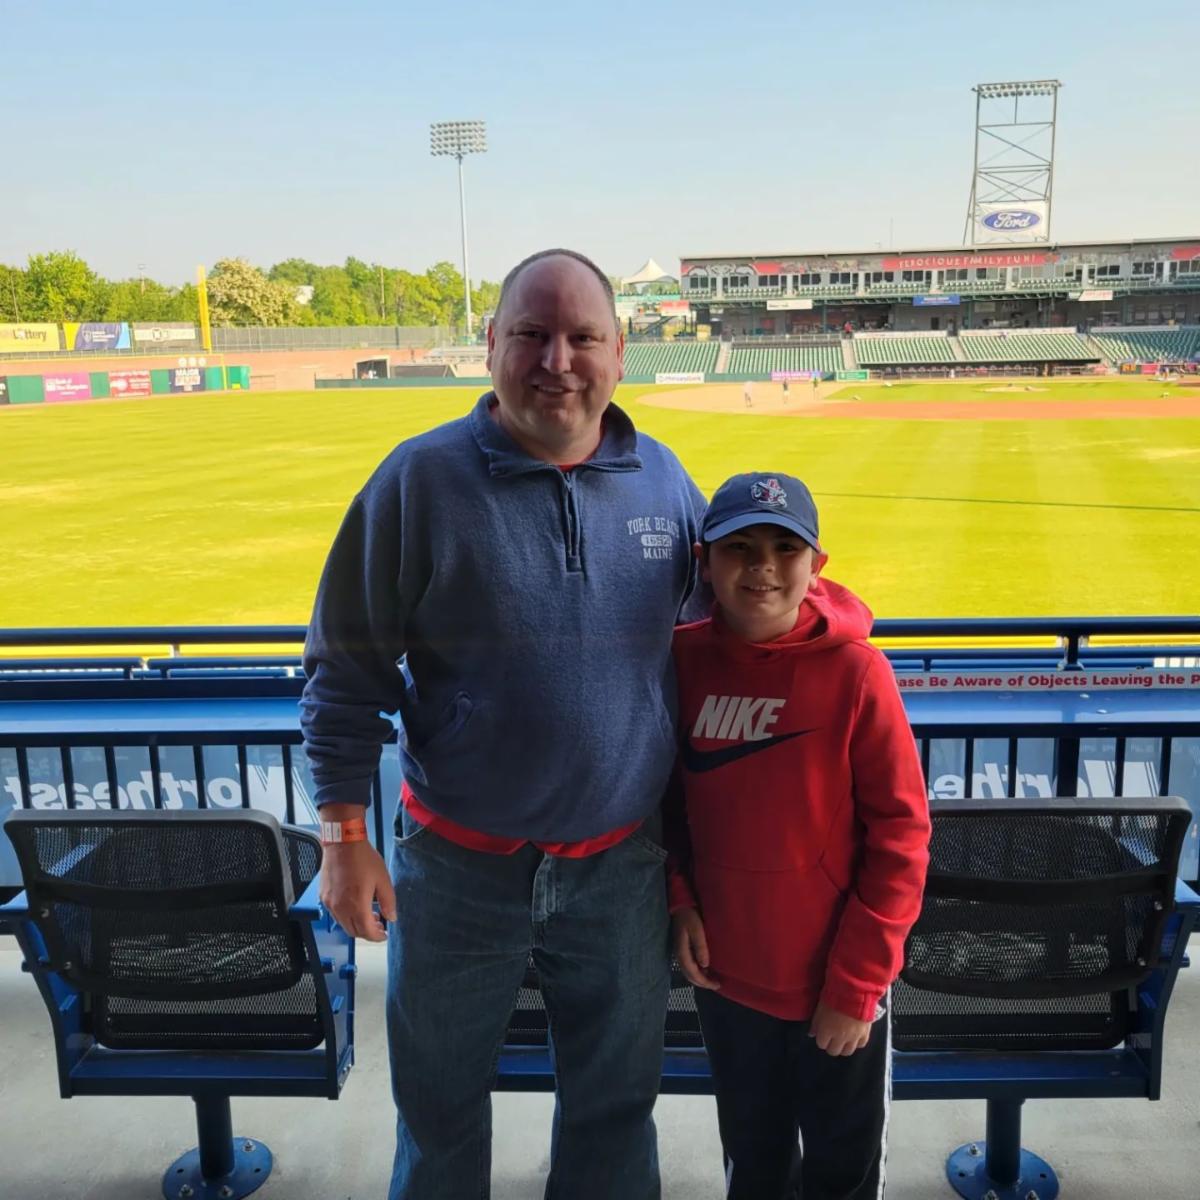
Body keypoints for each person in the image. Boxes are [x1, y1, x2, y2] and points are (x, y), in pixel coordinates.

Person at [301, 248, 708, 1200]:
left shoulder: (664, 481)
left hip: (620, 868)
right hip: (454, 872)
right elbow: (343, 668)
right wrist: (341, 835)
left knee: (614, 1116)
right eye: (531, 334)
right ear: (490, 346)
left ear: (619, 352)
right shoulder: (418, 481)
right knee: (438, 1117)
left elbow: (739, 625)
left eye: (582, 338)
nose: (556, 360)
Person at [667, 471, 930, 1200]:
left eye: (786, 548)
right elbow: (662, 806)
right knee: (754, 1162)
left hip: (836, 988)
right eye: (740, 548)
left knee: (842, 1171)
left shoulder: (857, 672)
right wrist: (680, 900)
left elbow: (902, 837)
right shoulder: (680, 662)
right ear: (704, 561)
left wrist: (857, 983)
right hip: (728, 980)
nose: (762, 568)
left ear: (816, 565)